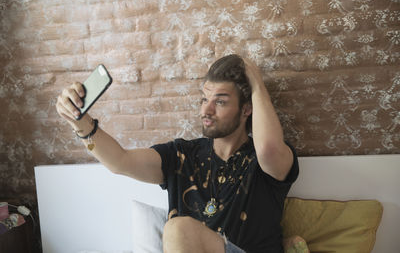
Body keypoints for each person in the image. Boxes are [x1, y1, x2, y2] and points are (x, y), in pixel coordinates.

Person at [56, 54, 299, 253]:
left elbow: (269, 148)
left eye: (220, 102)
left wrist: (254, 79)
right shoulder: (182, 155)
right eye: (204, 99)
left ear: (247, 109)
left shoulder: (265, 161)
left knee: (177, 229)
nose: (207, 109)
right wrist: (78, 121)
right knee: (177, 230)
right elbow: (121, 162)